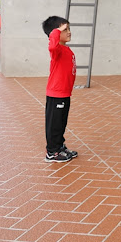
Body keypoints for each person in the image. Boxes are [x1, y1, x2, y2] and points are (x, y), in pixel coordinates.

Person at [41, 16, 78, 163]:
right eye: (65, 29)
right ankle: (52, 152)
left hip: (65, 94)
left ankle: (59, 146)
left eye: (69, 29)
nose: (68, 32)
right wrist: (56, 31)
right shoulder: (56, 50)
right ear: (55, 33)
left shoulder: (66, 50)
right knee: (54, 124)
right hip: (56, 94)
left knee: (61, 123)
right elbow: (52, 46)